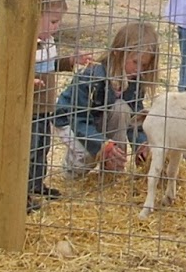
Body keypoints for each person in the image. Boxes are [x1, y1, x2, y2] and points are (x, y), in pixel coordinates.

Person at [54, 20, 160, 178]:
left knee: (122, 109)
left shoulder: (134, 81)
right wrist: (101, 144)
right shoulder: (92, 76)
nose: (139, 70)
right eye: (135, 62)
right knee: (89, 155)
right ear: (117, 53)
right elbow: (79, 118)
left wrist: (141, 144)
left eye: (144, 66)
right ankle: (71, 170)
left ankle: (113, 170)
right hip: (71, 120)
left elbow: (134, 118)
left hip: (100, 119)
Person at [29, 0, 88, 210]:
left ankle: (36, 183)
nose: (56, 27)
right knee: (30, 149)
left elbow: (52, 64)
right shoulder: (27, 44)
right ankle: (22, 192)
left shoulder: (48, 42)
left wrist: (71, 61)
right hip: (30, 109)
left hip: (46, 108)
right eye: (53, 22)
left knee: (42, 147)